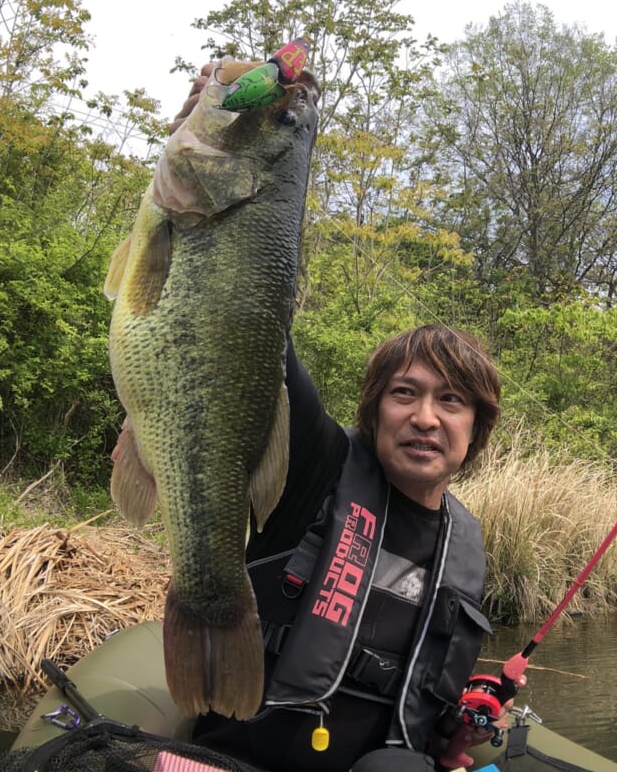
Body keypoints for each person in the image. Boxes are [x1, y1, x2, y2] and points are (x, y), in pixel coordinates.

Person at [173, 67, 510, 772]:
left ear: (475, 430)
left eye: (451, 402)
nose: (425, 417)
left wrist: (461, 723)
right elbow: (254, 329)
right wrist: (220, 162)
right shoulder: (321, 464)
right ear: (372, 410)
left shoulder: (465, 548)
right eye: (404, 394)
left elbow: (419, 705)